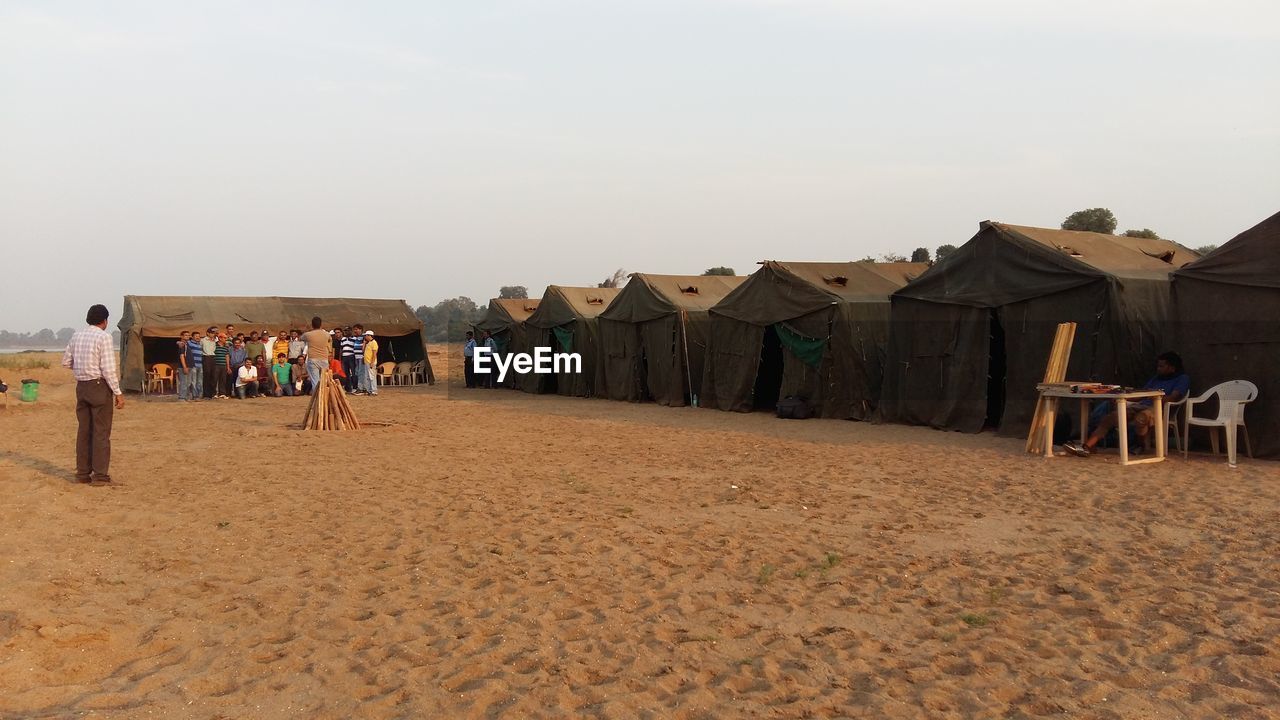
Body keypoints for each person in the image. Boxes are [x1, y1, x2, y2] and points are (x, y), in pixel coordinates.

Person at [1064, 352, 1190, 457]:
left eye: (1162, 366)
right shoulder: (1156, 379)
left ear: (1172, 367)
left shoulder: (1182, 379)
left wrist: (1154, 396)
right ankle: (1087, 447)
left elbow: (1174, 397)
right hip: (1142, 404)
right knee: (1111, 418)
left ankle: (1141, 446)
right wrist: (1126, 398)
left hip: (1159, 408)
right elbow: (1141, 395)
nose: (1158, 369)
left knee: (1141, 418)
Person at [61, 304, 124, 484]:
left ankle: (82, 473)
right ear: (104, 321)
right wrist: (118, 392)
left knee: (84, 431)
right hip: (99, 386)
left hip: (82, 387)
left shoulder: (76, 336)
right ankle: (100, 475)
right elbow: (108, 369)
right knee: (101, 432)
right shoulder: (104, 337)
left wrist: (82, 368)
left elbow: (66, 362)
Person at [301, 316, 331, 394]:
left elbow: (301, 337)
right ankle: (325, 397)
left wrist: (308, 330)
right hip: (324, 358)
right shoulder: (327, 334)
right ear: (321, 324)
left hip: (313, 359)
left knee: (315, 381)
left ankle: (318, 398)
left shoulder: (308, 334)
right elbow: (330, 340)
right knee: (325, 380)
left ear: (312, 325)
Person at [212, 333, 232, 398]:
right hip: (216, 365)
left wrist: (228, 367)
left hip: (223, 365)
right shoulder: (214, 345)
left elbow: (227, 356)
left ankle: (222, 393)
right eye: (224, 338)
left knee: (223, 380)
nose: (225, 339)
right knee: (214, 379)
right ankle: (214, 393)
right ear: (220, 338)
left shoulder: (226, 347)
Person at [201, 327, 218, 399]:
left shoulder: (215, 340)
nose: (213, 334)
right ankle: (206, 394)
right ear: (207, 333)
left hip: (213, 357)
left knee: (213, 376)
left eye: (214, 333)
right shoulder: (203, 340)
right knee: (207, 376)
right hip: (206, 357)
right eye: (211, 333)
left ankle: (212, 393)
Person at [361, 330, 378, 395]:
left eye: (366, 335)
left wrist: (372, 362)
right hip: (367, 362)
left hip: (370, 362)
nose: (365, 337)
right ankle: (369, 390)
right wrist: (364, 343)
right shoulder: (368, 343)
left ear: (369, 335)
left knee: (372, 376)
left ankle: (374, 390)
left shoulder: (374, 343)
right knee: (367, 376)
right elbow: (363, 351)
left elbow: (374, 354)